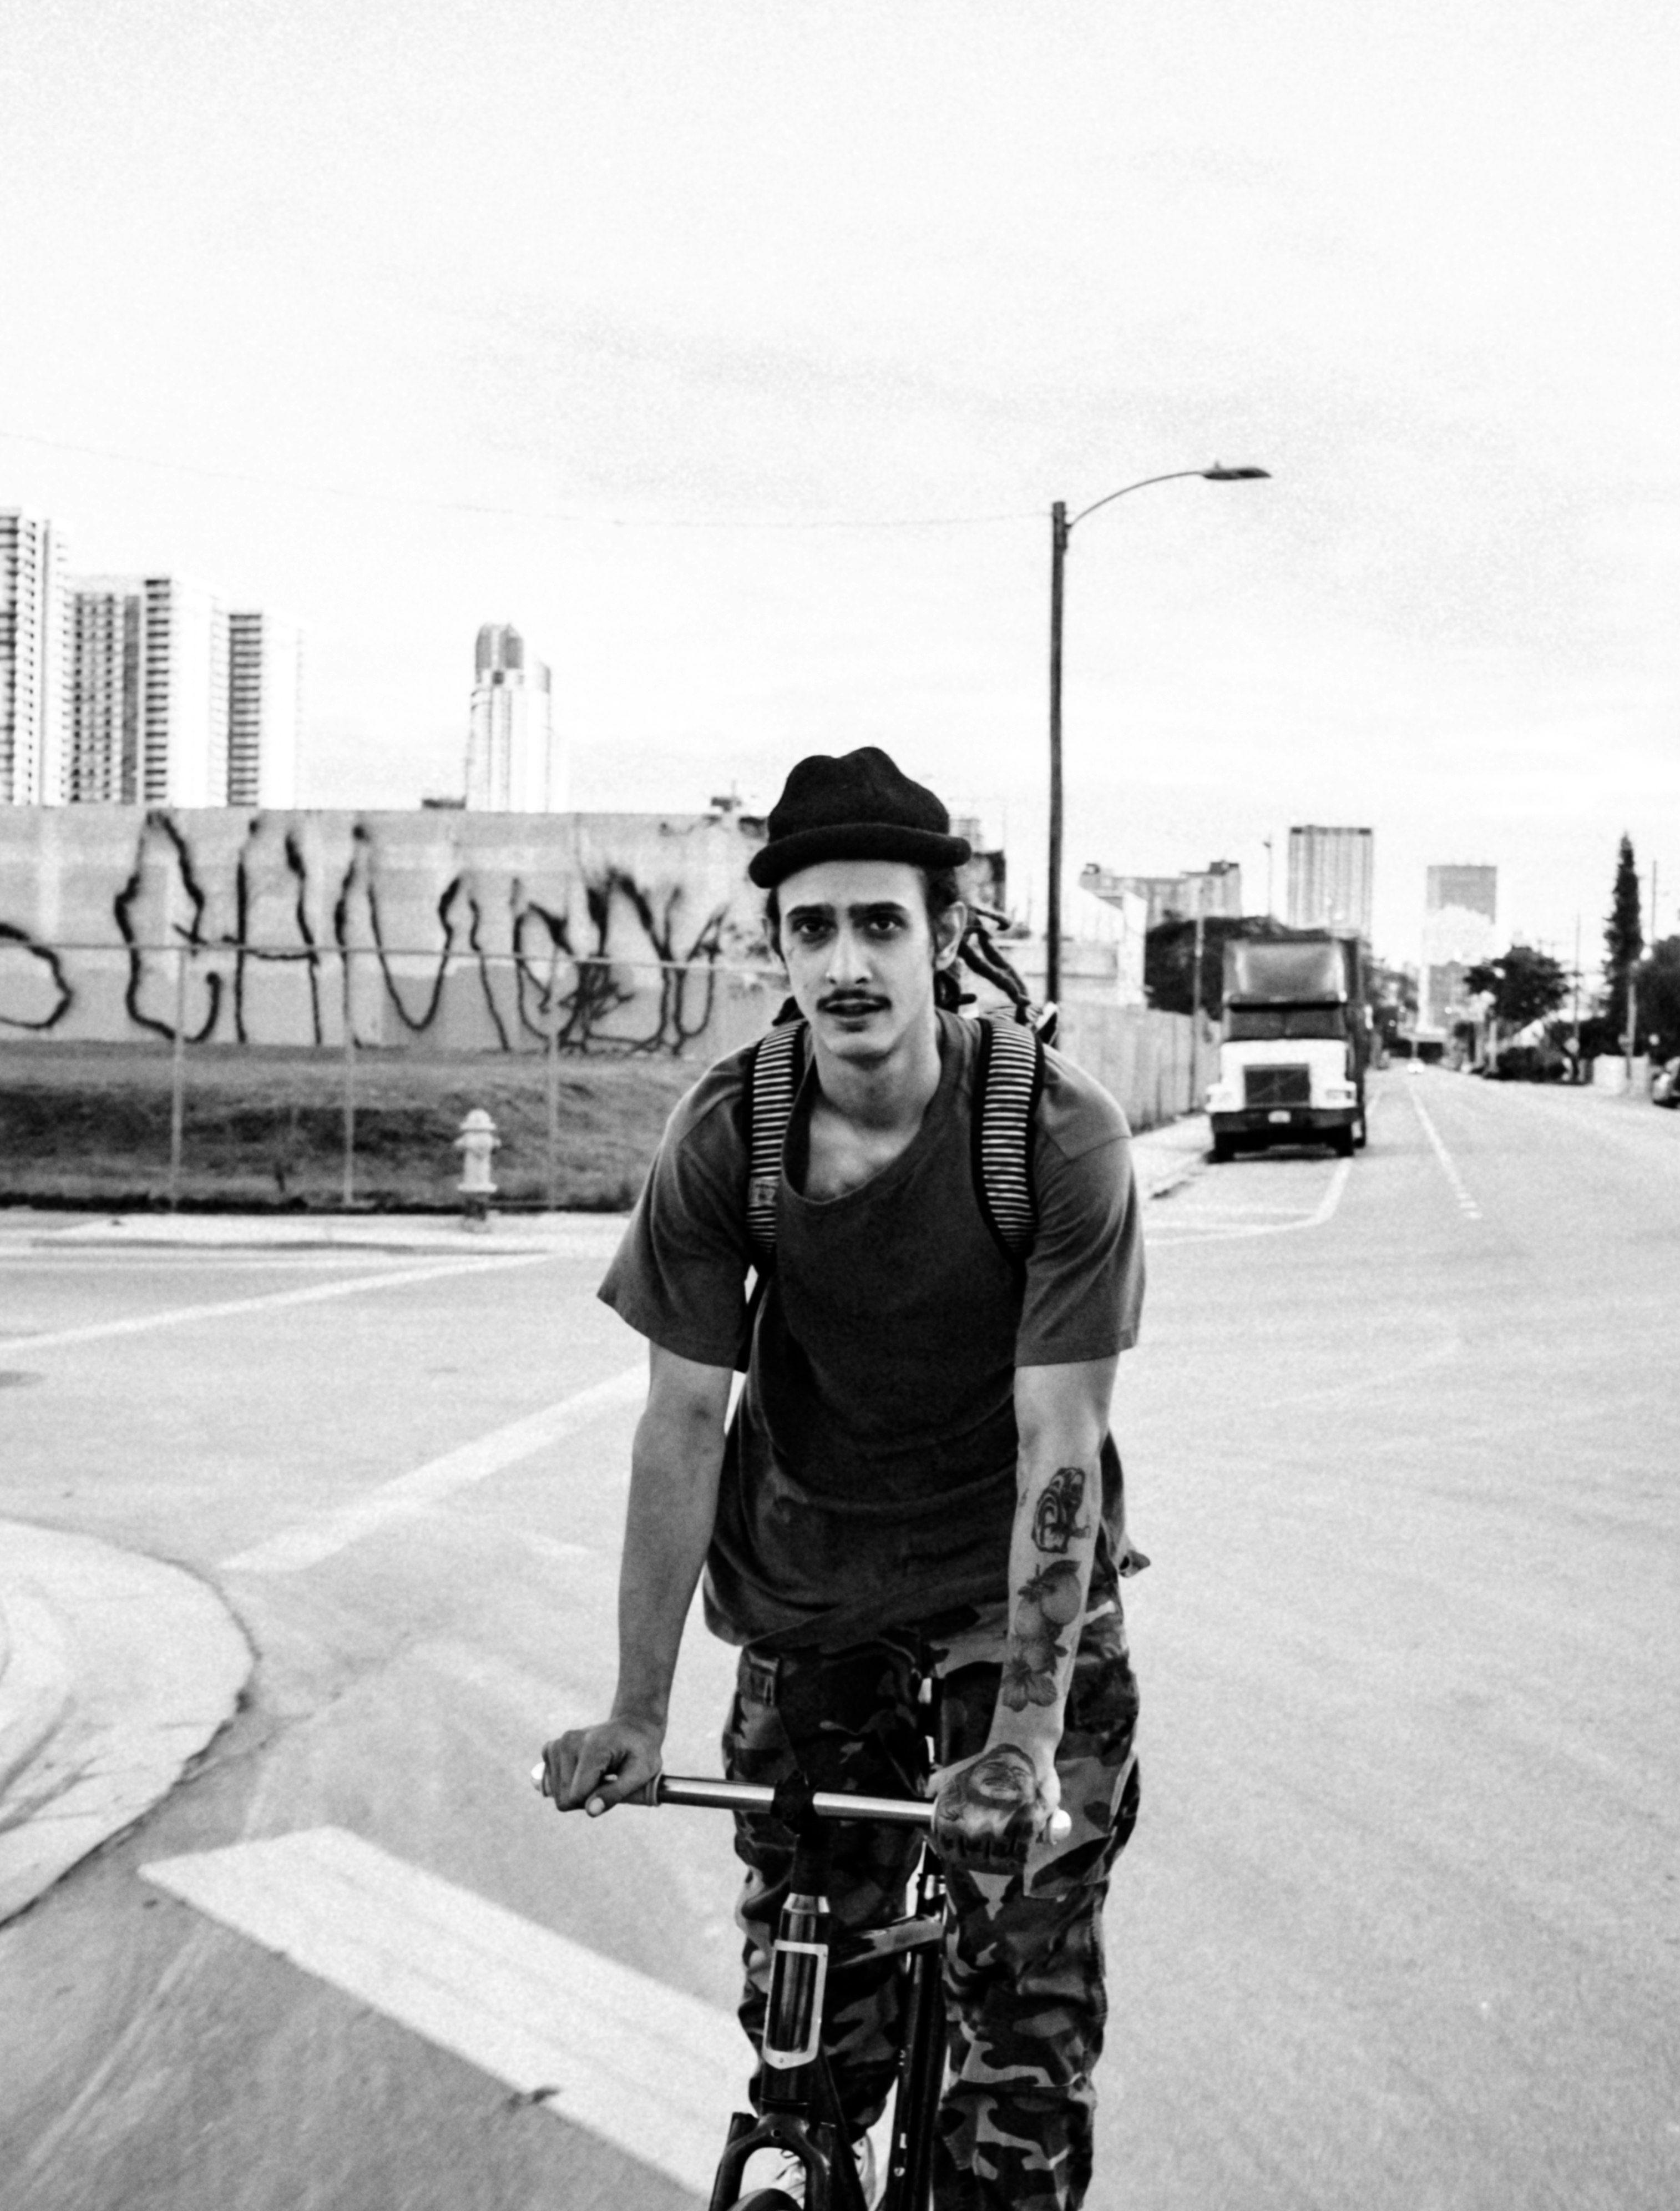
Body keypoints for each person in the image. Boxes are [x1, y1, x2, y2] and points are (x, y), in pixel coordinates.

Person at [542, 745, 1147, 2211]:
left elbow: (1060, 1449)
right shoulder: (729, 1135)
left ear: (947, 935)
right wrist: (636, 1709)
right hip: (809, 1599)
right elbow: (684, 1426)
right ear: (781, 950)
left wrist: (1018, 1740)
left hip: (1012, 1613)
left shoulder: (1055, 1137)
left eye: (880, 922)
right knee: (809, 2044)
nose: (847, 961)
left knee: (1017, 2057)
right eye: (812, 929)